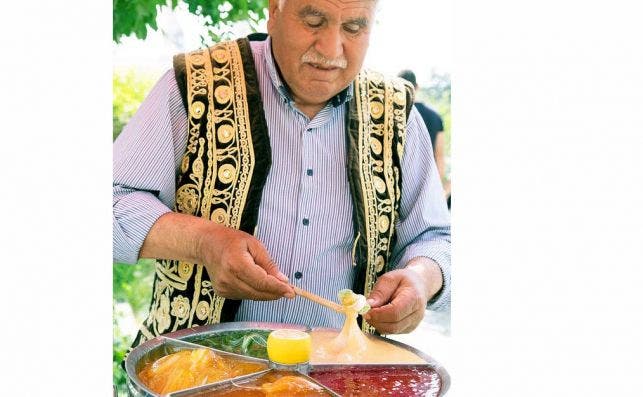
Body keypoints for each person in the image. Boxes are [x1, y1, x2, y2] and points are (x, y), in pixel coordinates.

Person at [113, 0, 450, 349]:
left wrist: (421, 278)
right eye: (314, 20)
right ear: (274, 11)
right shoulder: (194, 85)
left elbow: (436, 237)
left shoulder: (397, 113)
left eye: (353, 27)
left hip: (341, 375)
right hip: (199, 372)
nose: (331, 49)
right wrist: (203, 241)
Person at [398, 69, 450, 204]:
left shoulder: (392, 115)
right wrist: (437, 190)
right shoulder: (435, 117)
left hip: (400, 182)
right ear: (417, 87)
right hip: (427, 183)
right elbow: (439, 155)